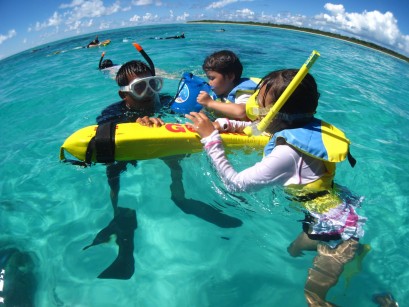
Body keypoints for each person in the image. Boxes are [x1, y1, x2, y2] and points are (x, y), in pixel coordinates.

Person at [186, 69, 367, 306]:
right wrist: (225, 124)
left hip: (334, 231)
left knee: (314, 298)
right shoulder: (304, 128)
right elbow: (258, 127)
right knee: (294, 250)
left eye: (261, 107)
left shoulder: (287, 153)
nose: (256, 113)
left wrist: (210, 139)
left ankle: (355, 254)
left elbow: (236, 183)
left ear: (277, 114)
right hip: (337, 213)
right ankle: (358, 252)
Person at [84, 59, 242, 279]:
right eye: (140, 88)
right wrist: (136, 124)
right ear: (124, 95)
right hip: (128, 151)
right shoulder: (112, 112)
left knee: (174, 158)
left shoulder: (169, 102)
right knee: (114, 172)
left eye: (153, 84)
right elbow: (104, 130)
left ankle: (180, 198)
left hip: (162, 146)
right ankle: (120, 219)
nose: (149, 93)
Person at [197, 50, 259, 120]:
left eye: (212, 78)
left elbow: (241, 112)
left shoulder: (242, 93)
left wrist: (210, 103)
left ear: (230, 77)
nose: (209, 82)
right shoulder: (218, 94)